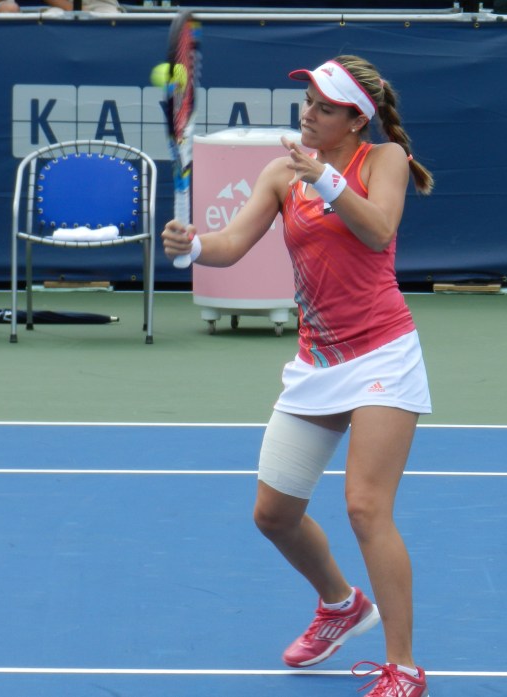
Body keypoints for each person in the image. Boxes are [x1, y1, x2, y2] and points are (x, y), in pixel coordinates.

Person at [161, 54, 434, 697]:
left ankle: (404, 668)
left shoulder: (383, 161)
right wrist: (194, 244)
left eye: (323, 107)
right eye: (307, 102)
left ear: (354, 120)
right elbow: (231, 246)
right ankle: (340, 604)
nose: (308, 114)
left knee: (366, 508)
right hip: (317, 361)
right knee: (274, 514)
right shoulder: (283, 173)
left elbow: (379, 232)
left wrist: (330, 183)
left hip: (382, 355)